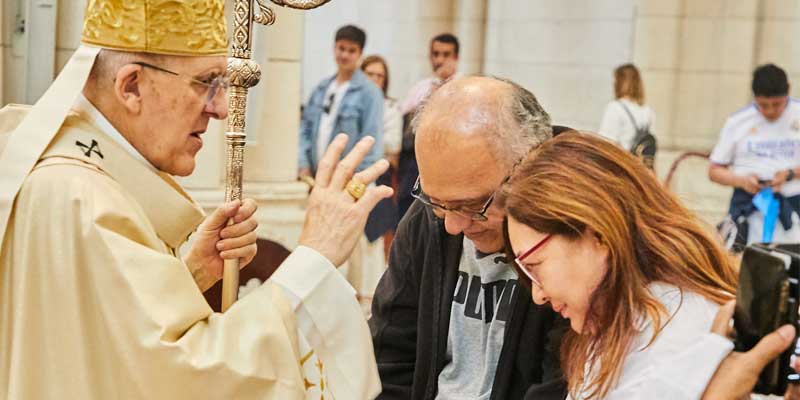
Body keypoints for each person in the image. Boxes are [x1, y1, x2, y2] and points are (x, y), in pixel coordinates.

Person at [0, 1, 392, 398]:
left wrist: (191, 274)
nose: (221, 107)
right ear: (131, 86)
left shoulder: (72, 180)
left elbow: (111, 350)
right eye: (207, 81)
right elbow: (188, 379)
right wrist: (314, 258)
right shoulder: (82, 201)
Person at [370, 76, 565, 400]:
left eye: (474, 205)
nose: (453, 226)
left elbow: (564, 382)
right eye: (438, 202)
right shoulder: (427, 218)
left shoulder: (572, 235)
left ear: (533, 165)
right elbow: (391, 354)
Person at [502, 131, 738, 399]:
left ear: (599, 235)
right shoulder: (620, 321)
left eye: (534, 265)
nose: (538, 294)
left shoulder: (679, 332)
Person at [297, 24, 386, 313]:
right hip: (321, 180)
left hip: (354, 180)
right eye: (341, 48)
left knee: (358, 249)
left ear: (360, 53)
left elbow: (372, 140)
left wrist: (356, 180)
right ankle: (325, 305)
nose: (344, 55)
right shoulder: (323, 88)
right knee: (322, 239)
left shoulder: (369, 92)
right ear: (334, 48)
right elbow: (307, 129)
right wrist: (303, 164)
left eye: (351, 50)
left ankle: (359, 309)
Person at [709, 63, 800, 246]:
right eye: (763, 105)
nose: (770, 111)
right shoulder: (738, 121)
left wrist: (789, 174)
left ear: (788, 92)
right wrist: (742, 181)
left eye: (777, 104)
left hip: (793, 205)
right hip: (748, 207)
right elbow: (714, 170)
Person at [396, 33, 461, 219]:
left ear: (455, 57)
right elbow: (404, 117)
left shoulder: (465, 85)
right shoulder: (421, 86)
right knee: (408, 207)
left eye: (446, 54)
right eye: (436, 54)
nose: (440, 59)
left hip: (449, 158)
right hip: (415, 158)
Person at [598, 63, 656, 151]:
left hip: (621, 161)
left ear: (620, 83)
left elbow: (605, 142)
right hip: (639, 164)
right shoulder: (648, 110)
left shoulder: (615, 107)